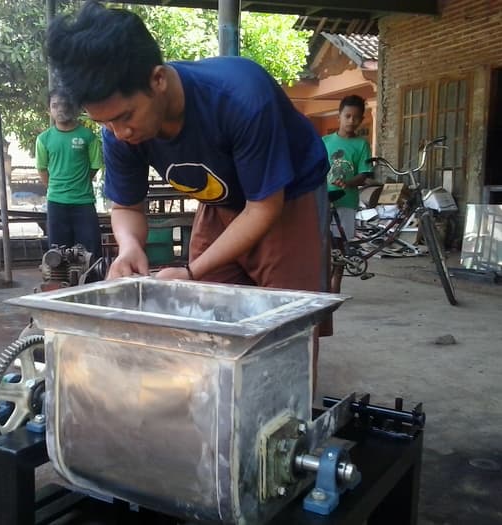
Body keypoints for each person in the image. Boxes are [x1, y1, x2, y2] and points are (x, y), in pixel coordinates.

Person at [47, 2, 332, 379]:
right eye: (105, 123)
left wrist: (190, 269)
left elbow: (263, 207)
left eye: (125, 117)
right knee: (202, 314)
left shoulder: (241, 97)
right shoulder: (117, 131)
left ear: (158, 80)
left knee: (284, 328)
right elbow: (127, 206)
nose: (119, 133)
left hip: (287, 197)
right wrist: (130, 247)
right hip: (220, 201)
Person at [35, 88, 103, 258]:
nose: (60, 109)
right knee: (57, 256)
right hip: (56, 204)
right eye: (55, 105)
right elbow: (42, 169)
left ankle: (91, 276)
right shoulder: (43, 139)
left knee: (90, 255)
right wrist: (57, 188)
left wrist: (79, 184)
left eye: (65, 104)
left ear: (74, 108)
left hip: (84, 203)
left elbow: (95, 166)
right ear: (49, 110)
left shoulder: (88, 136)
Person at [323, 95, 373, 292]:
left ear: (361, 119)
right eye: (347, 116)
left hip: (346, 201)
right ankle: (322, 285)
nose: (351, 121)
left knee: (340, 246)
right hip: (323, 200)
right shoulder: (324, 142)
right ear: (339, 117)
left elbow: (364, 174)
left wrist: (348, 183)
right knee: (323, 245)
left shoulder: (362, 145)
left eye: (356, 117)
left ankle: (335, 286)